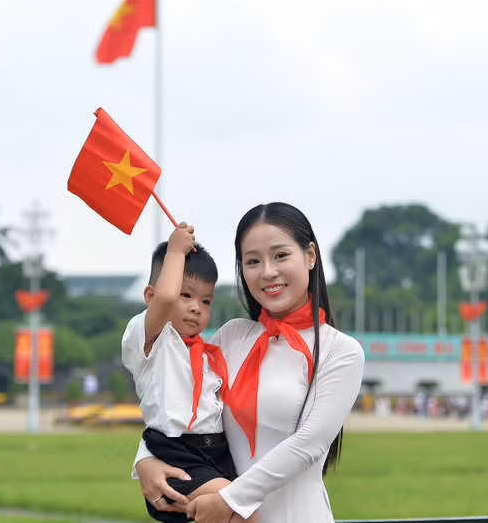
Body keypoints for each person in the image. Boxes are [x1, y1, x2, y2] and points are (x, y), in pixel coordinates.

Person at [134, 203, 365, 523]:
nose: (268, 271)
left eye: (281, 256)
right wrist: (145, 460)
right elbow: (182, 404)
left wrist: (231, 499)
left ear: (310, 256)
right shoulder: (231, 337)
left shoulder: (340, 351)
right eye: (253, 261)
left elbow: (308, 445)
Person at [122, 222, 253, 523]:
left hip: (217, 452)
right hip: (179, 454)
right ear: (150, 295)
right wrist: (176, 249)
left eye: (206, 301)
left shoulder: (206, 353)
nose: (196, 308)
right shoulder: (149, 340)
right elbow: (165, 300)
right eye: (186, 295)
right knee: (243, 513)